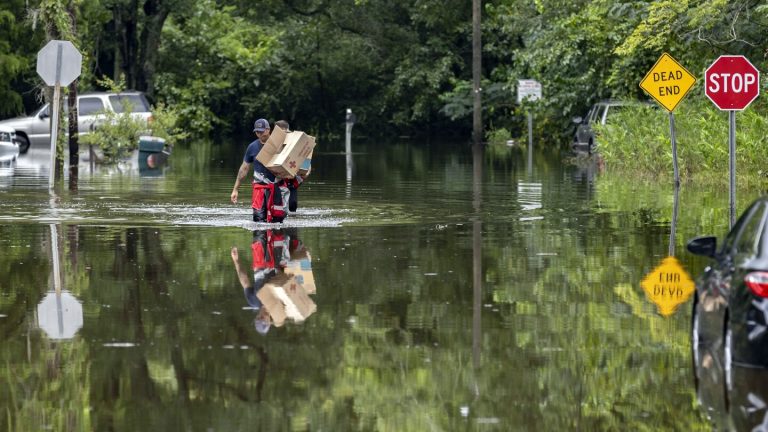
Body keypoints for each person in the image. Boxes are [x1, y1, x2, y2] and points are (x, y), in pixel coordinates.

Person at [231, 118, 288, 222]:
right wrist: (235, 189)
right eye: (257, 131)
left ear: (268, 130)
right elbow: (244, 169)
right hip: (259, 189)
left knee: (277, 220)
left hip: (277, 189)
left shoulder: (280, 145)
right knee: (258, 221)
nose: (259, 134)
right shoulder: (252, 147)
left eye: (261, 131)